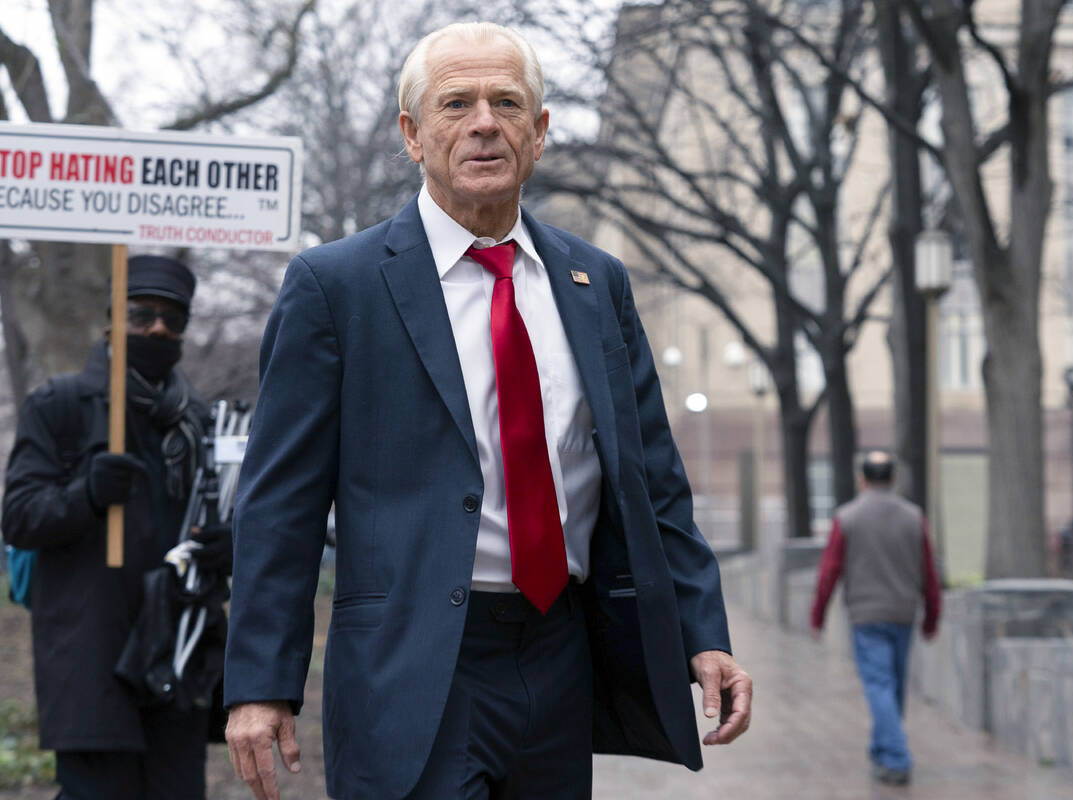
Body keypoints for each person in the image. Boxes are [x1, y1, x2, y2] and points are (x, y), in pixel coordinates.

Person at [223, 20, 752, 800]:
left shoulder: (596, 283)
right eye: (455, 104)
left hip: (560, 655)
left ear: (538, 134)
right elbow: (280, 504)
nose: (483, 123)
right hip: (412, 664)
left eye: (507, 103)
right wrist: (261, 683)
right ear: (412, 134)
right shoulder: (337, 287)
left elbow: (652, 481)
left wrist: (703, 633)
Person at [1, 255, 233, 800]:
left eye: (172, 319)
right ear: (111, 322)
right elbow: (19, 516)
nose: (158, 328)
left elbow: (217, 518)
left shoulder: (196, 421)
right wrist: (85, 494)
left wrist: (230, 544)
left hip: (175, 656)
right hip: (92, 659)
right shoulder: (60, 406)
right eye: (142, 314)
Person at [809, 450, 941, 786]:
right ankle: (883, 750)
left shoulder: (847, 517)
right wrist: (932, 616)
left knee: (880, 685)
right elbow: (929, 571)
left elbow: (830, 571)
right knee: (891, 686)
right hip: (903, 613)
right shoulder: (914, 517)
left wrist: (818, 614)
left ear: (862, 479)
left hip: (866, 615)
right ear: (893, 478)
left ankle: (896, 758)